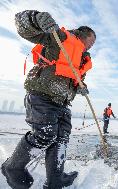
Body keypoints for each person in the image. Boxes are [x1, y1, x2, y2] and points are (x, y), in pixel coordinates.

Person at [1, 10, 96, 189]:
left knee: (61, 140)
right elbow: (26, 30)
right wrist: (35, 18)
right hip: (42, 96)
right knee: (45, 135)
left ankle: (55, 180)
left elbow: (74, 76)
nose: (92, 45)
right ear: (82, 34)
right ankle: (12, 168)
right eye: (91, 40)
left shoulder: (82, 58)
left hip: (63, 102)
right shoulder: (60, 38)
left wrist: (81, 86)